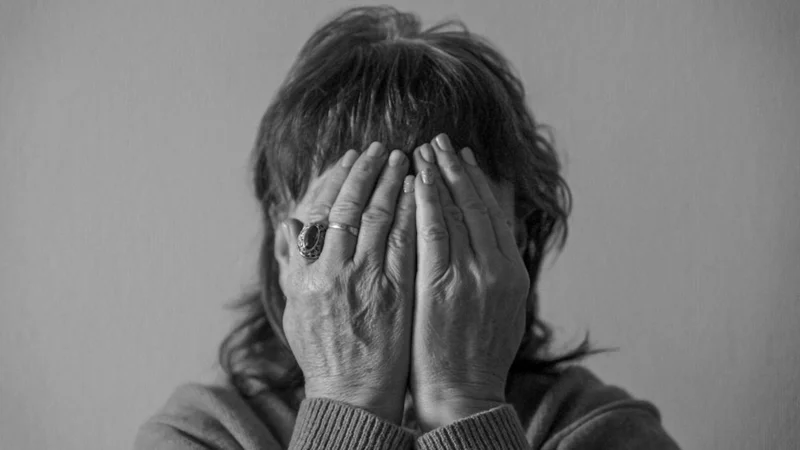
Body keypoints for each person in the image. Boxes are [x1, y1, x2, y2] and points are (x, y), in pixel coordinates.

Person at [135, 6, 680, 450]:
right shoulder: (197, 434)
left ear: (516, 240)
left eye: (451, 219)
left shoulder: (604, 430)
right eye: (360, 223)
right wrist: (347, 399)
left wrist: (464, 400)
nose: (397, 255)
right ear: (288, 252)